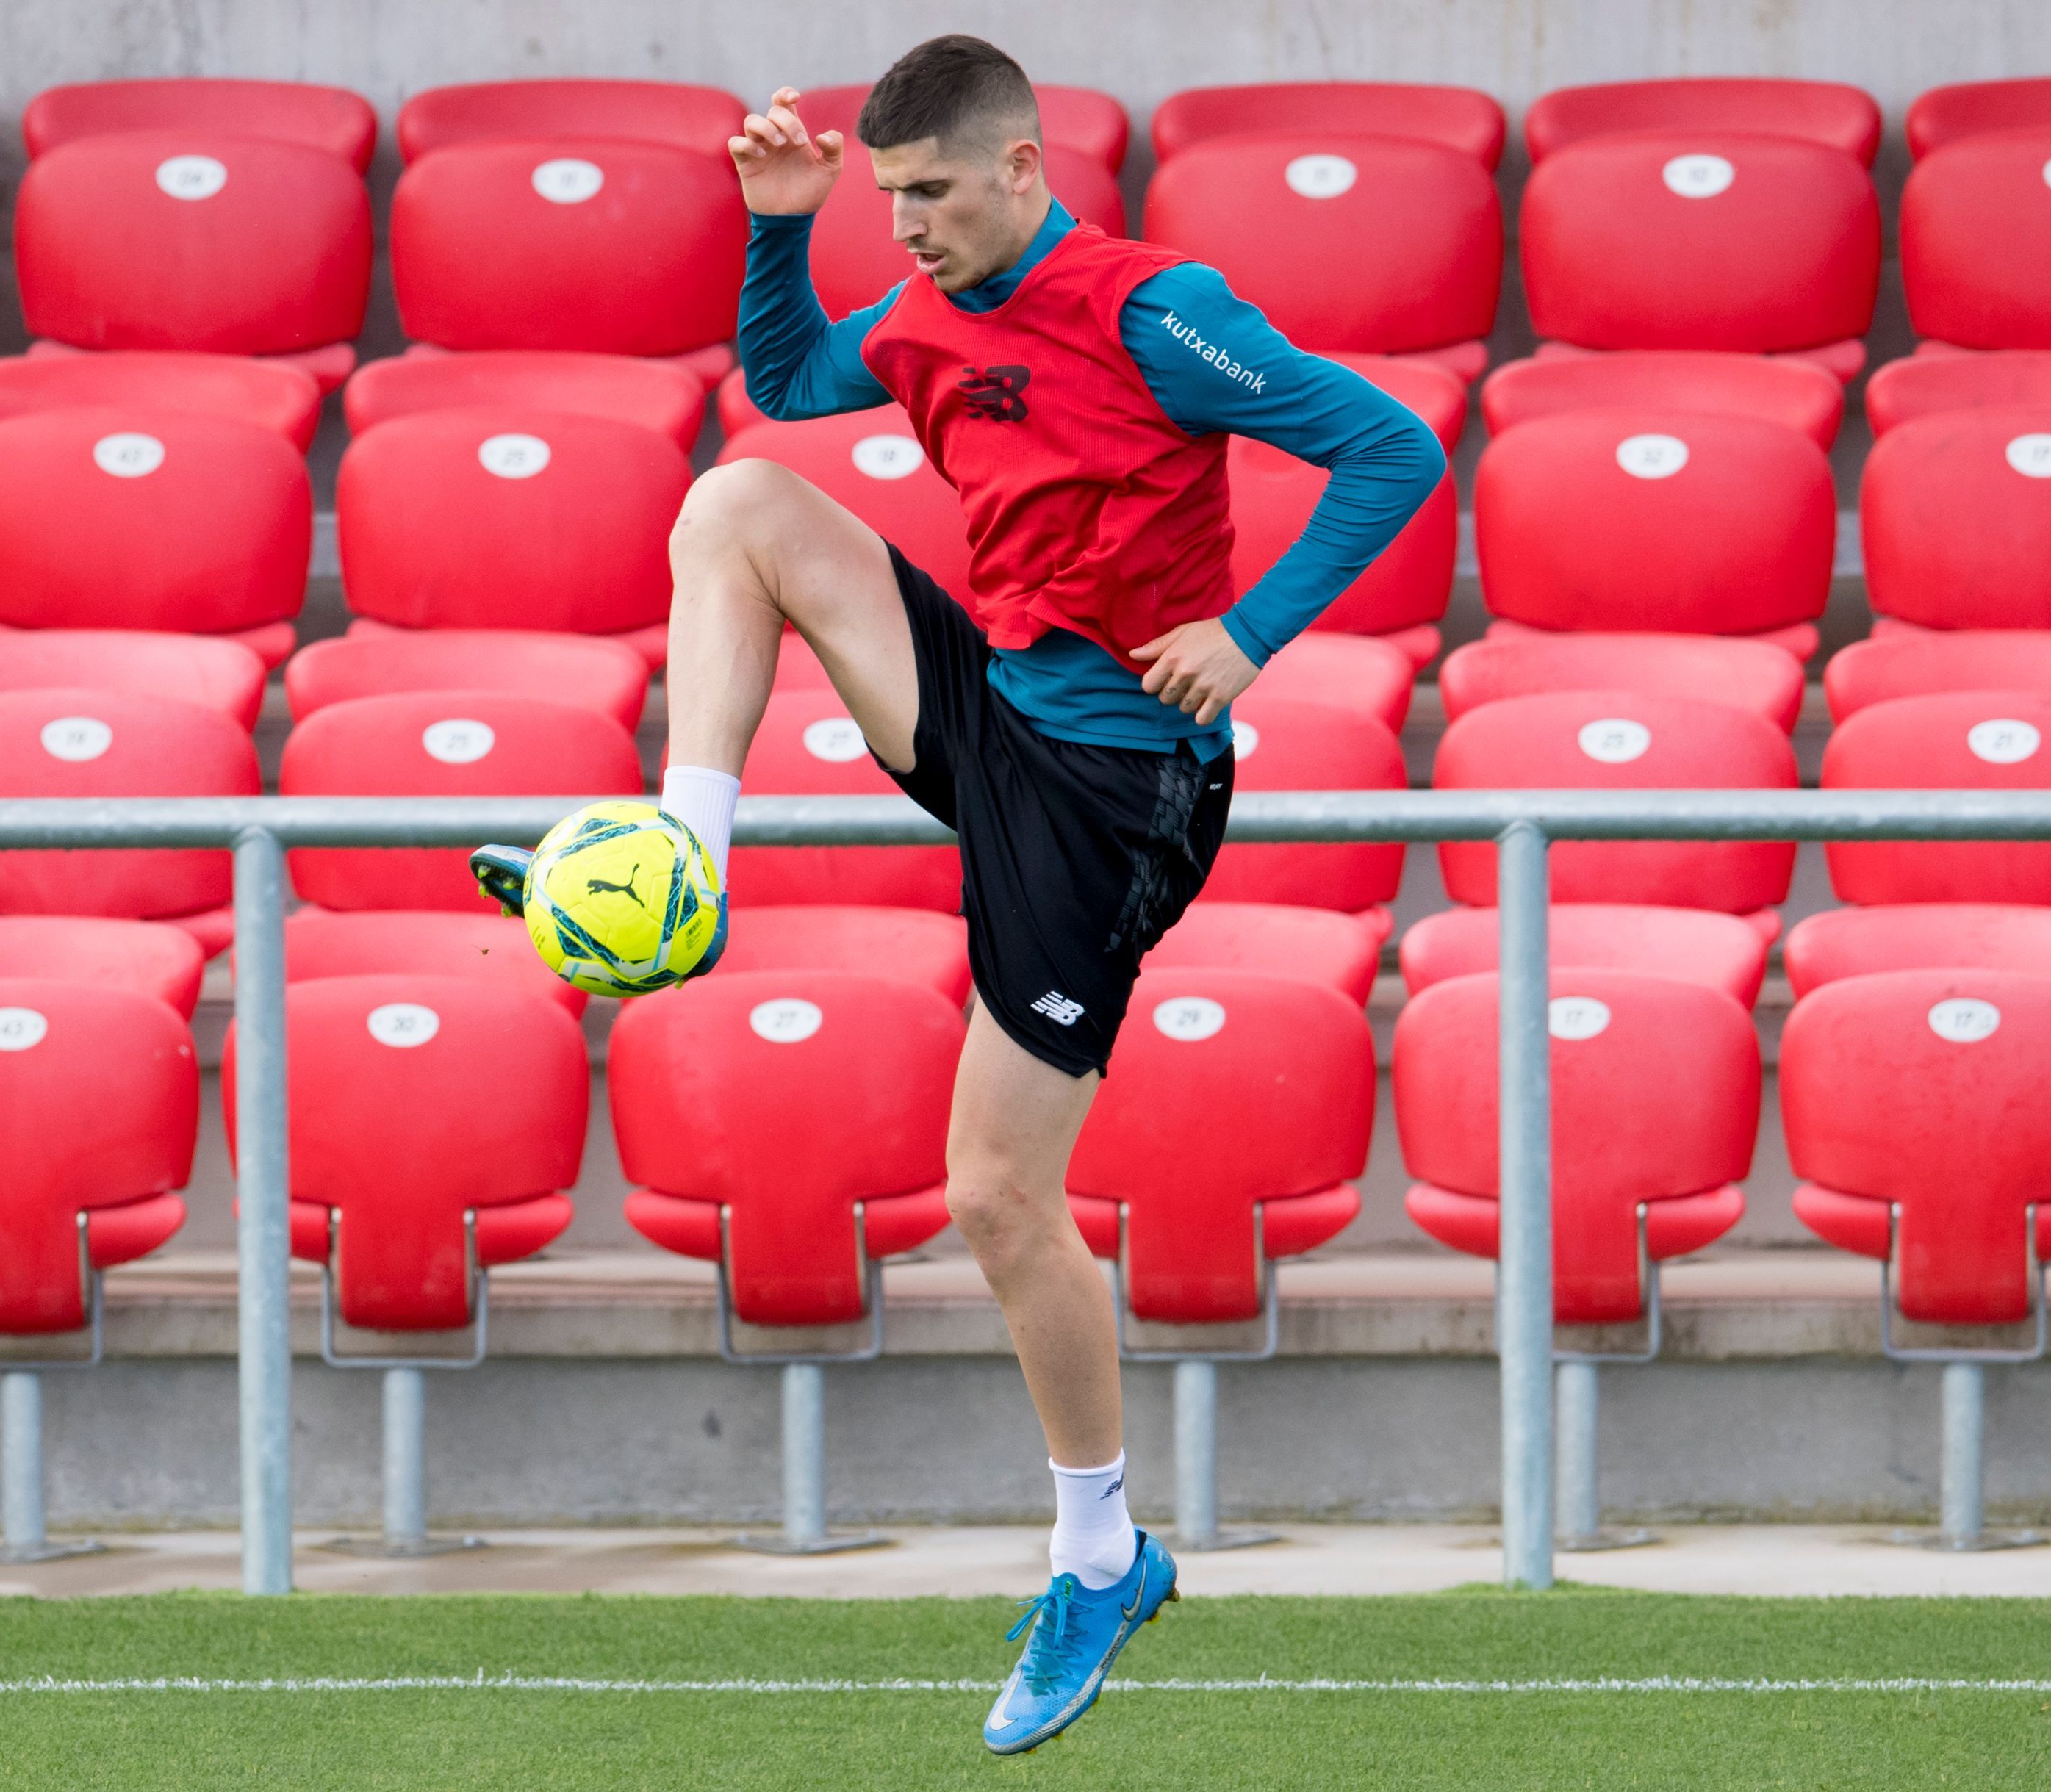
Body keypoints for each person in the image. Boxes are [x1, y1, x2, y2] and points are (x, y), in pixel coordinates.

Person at [480, 35, 1443, 1753]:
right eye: (889, 194)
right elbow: (789, 378)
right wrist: (785, 225)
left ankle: (1103, 1553)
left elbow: (1389, 450)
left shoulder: (1155, 310)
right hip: (986, 702)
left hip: (1116, 781)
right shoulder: (925, 314)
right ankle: (681, 849)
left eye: (928, 192)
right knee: (742, 496)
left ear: (1021, 168)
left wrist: (1250, 633)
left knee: (994, 1198)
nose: (905, 226)